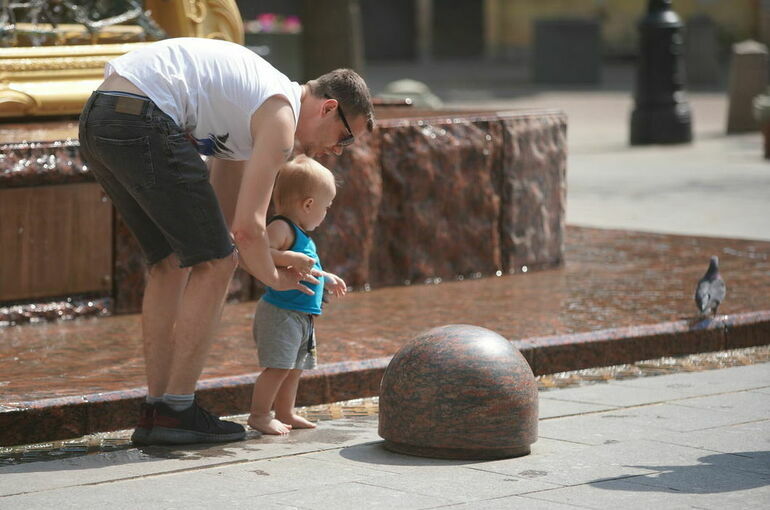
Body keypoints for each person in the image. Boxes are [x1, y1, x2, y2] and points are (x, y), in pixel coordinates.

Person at [77, 37, 374, 445]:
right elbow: (246, 232)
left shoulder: (251, 115)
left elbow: (222, 224)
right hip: (142, 117)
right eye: (345, 138)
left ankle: (156, 411)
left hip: (101, 116)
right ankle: (177, 410)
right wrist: (276, 279)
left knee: (170, 261)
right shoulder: (281, 119)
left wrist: (268, 258)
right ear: (328, 107)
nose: (337, 152)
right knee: (216, 262)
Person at [248, 155, 346, 435]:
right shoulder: (281, 228)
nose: (326, 213)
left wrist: (325, 278)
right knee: (278, 367)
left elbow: (306, 268)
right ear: (308, 204)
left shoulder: (303, 234)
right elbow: (260, 253)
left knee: (294, 367)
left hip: (301, 316)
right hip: (281, 313)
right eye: (326, 207)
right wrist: (287, 255)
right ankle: (259, 414)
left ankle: (285, 412)